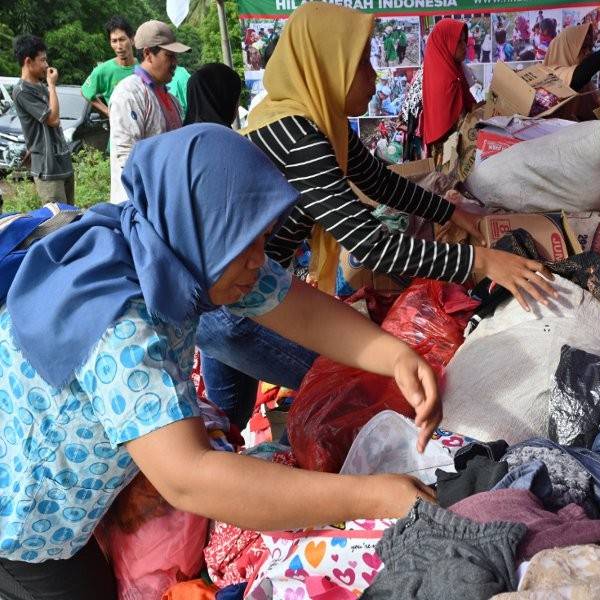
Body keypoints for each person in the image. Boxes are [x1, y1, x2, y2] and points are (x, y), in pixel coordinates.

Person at [0, 125, 439, 600]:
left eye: (262, 238)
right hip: (27, 525)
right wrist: (374, 496)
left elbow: (298, 307)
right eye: (245, 244)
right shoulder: (122, 324)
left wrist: (395, 355)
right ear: (200, 229)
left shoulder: (172, 245)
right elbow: (190, 479)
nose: (259, 260)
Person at [201, 2, 555, 429]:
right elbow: (370, 244)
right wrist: (481, 261)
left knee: (227, 425)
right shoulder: (299, 135)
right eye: (362, 62)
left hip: (235, 298)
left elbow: (378, 182)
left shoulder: (303, 119)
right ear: (329, 65)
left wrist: (451, 212)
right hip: (238, 306)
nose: (374, 76)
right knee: (346, 392)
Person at [109, 20, 189, 204]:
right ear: (147, 54)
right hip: (139, 204)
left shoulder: (172, 99)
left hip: (166, 200)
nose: (175, 63)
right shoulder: (129, 92)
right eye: (169, 56)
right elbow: (126, 155)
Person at [11, 35, 73, 204]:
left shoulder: (40, 86)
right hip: (47, 168)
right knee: (58, 221)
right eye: (42, 60)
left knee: (73, 218)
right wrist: (52, 85)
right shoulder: (22, 91)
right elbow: (53, 119)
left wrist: (48, 86)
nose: (46, 65)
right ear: (28, 61)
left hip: (62, 163)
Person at [421, 19, 476, 158]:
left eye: (465, 41)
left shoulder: (454, 69)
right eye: (459, 42)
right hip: (449, 151)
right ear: (446, 43)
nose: (465, 46)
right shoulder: (445, 80)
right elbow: (452, 129)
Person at [81, 16, 137, 118]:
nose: (119, 46)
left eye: (122, 39)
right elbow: (85, 91)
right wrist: (108, 111)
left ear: (132, 40)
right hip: (120, 131)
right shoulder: (103, 71)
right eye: (114, 41)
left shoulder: (143, 68)